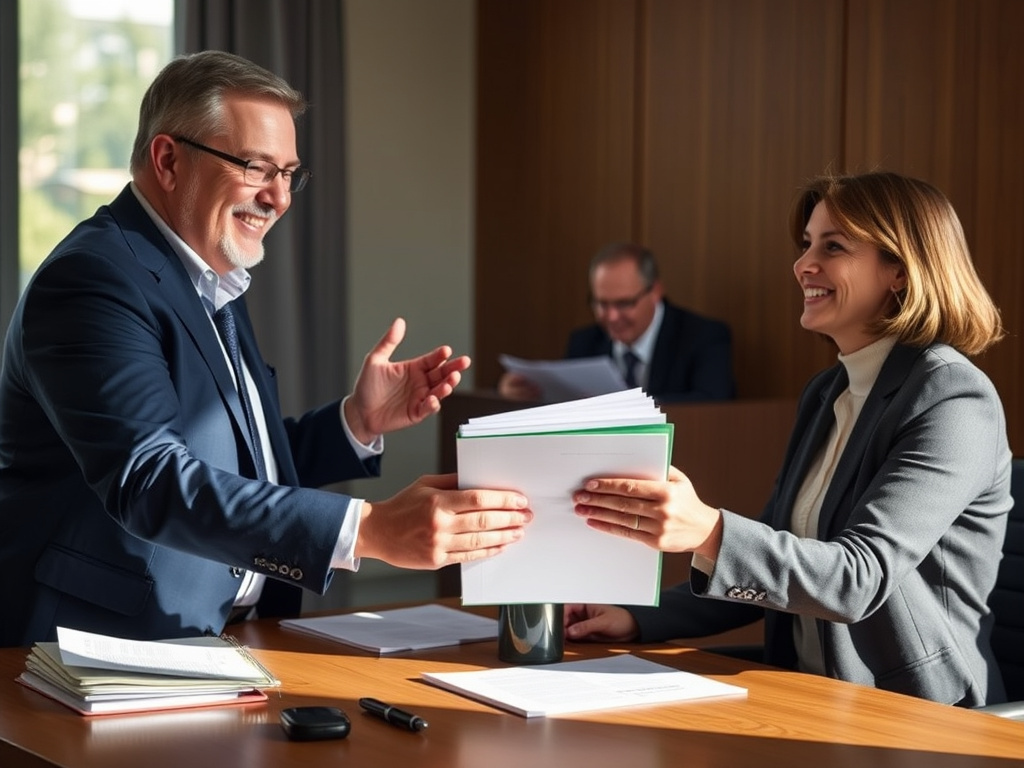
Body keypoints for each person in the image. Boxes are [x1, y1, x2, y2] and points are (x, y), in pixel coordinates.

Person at [0, 50, 532, 647]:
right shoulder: (93, 280)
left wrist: (354, 423)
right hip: (98, 651)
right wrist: (369, 529)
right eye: (257, 168)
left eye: (289, 174)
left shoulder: (210, 272)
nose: (279, 198)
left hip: (225, 639)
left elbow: (230, 461)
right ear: (168, 160)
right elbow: (152, 479)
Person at [564, 171, 1011, 707]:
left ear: (899, 270)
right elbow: (779, 562)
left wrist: (709, 531)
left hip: (916, 710)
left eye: (833, 246)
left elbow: (857, 579)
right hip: (811, 691)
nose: (803, 265)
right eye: (805, 245)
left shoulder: (953, 397)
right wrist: (638, 616)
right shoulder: (827, 392)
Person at [497, 243, 736, 402]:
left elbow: (712, 405)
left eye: (624, 303)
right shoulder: (584, 342)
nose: (611, 317)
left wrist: (628, 407)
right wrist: (523, 394)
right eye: (601, 304)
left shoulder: (704, 337)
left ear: (655, 291)